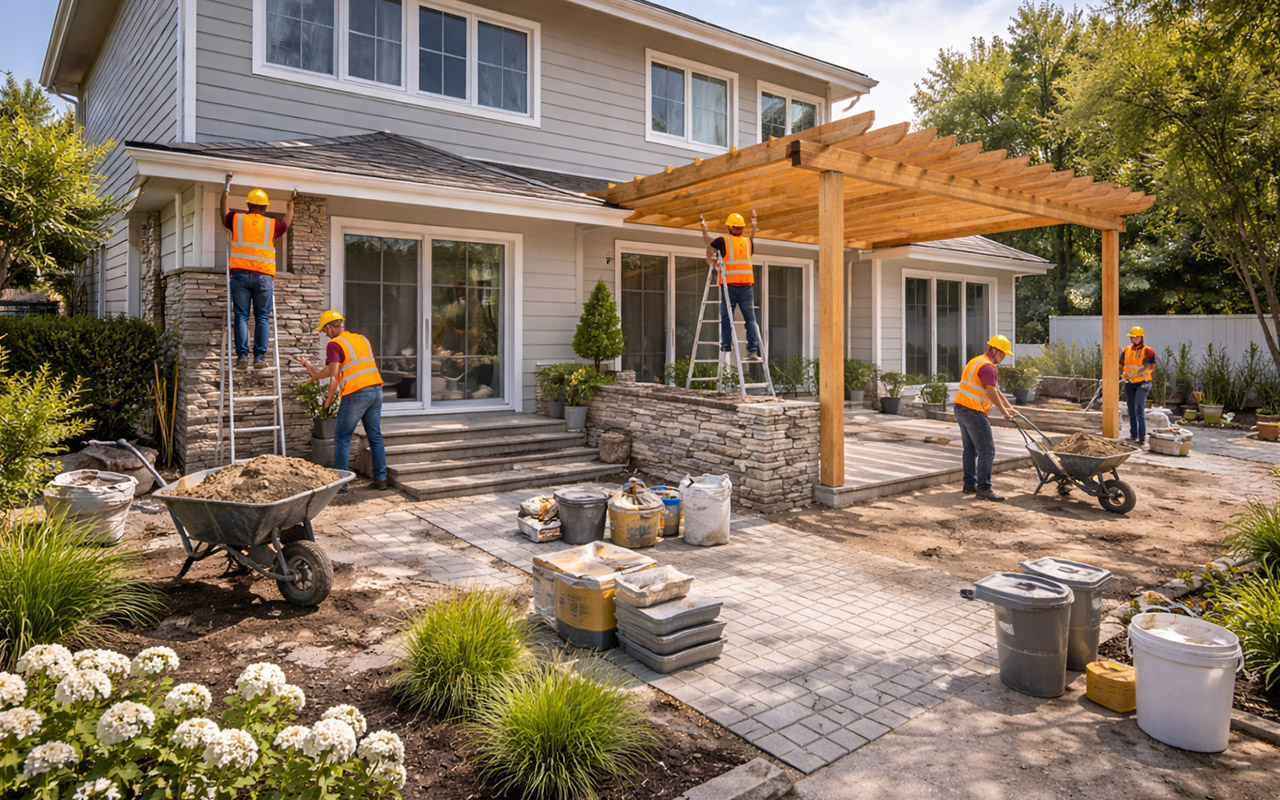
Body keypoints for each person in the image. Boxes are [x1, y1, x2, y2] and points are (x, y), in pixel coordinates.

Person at [297, 310, 388, 491]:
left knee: (342, 438)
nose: (324, 334)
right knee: (375, 436)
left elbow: (331, 372)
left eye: (324, 330)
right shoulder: (361, 339)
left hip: (356, 393)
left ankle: (341, 484)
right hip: (376, 390)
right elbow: (334, 375)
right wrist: (311, 370)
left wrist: (314, 378)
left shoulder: (334, 344)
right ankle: (381, 479)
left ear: (330, 327)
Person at [221, 173, 294, 370]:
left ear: (248, 205)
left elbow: (224, 212)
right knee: (262, 317)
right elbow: (286, 223)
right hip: (263, 277)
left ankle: (243, 357)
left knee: (242, 316)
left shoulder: (237, 219)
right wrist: (291, 204)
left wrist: (226, 190)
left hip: (240, 276)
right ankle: (259, 359)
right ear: (265, 207)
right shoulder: (271, 225)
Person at [954, 335, 1017, 501]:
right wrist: (1004, 412)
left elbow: (996, 391)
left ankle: (969, 485)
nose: (1003, 358)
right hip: (974, 412)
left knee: (970, 450)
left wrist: (1009, 408)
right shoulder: (988, 367)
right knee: (987, 451)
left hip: (961, 409)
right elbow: (991, 392)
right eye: (1003, 354)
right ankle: (984, 488)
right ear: (994, 350)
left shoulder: (976, 361)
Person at [701, 211, 762, 362]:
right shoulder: (748, 243)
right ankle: (753, 350)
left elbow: (709, 241)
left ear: (729, 227)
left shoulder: (724, 241)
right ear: (741, 228)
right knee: (750, 319)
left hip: (730, 287)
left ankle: (726, 345)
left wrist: (703, 229)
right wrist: (754, 229)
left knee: (727, 317)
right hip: (747, 286)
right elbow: (749, 243)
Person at [1121, 326, 1156, 445]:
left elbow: (1149, 367)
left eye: (1137, 337)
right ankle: (1133, 434)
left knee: (1139, 410)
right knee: (1131, 410)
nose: (1134, 339)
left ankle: (1141, 436)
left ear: (1141, 337)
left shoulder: (1148, 351)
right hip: (1129, 383)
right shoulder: (1126, 350)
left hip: (1143, 383)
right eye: (1132, 337)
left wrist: (1135, 375)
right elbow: (1122, 365)